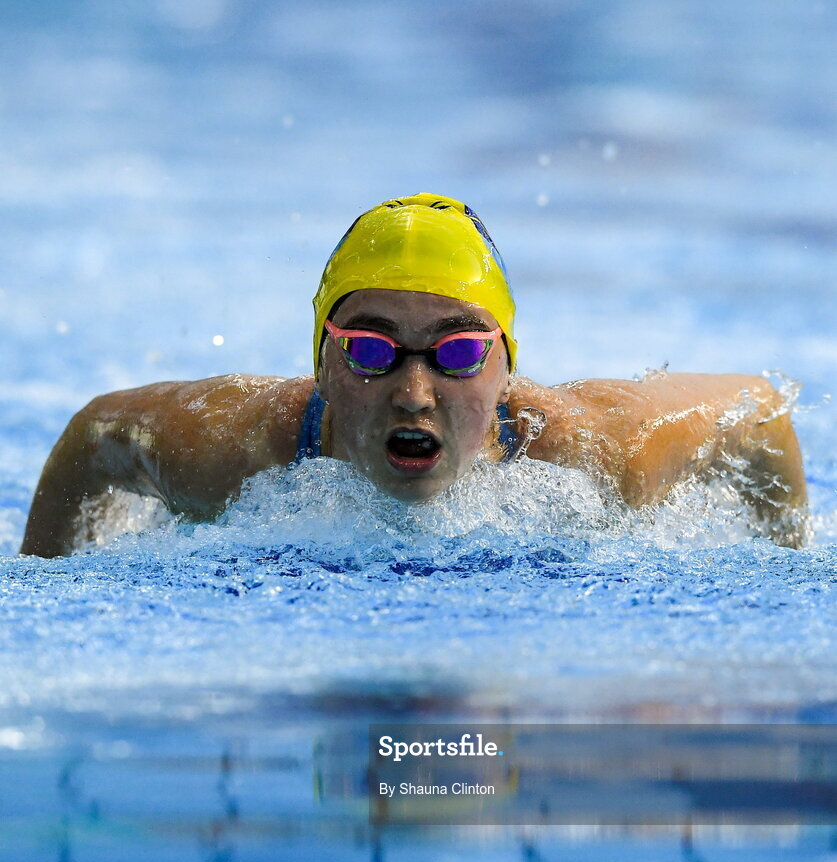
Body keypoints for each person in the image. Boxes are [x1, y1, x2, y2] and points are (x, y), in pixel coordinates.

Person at [20, 193, 809, 558]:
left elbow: (759, 410)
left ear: (504, 368)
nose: (414, 389)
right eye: (370, 347)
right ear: (323, 365)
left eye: (459, 352)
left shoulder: (595, 459)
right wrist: (47, 580)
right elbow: (95, 434)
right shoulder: (234, 454)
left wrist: (791, 560)